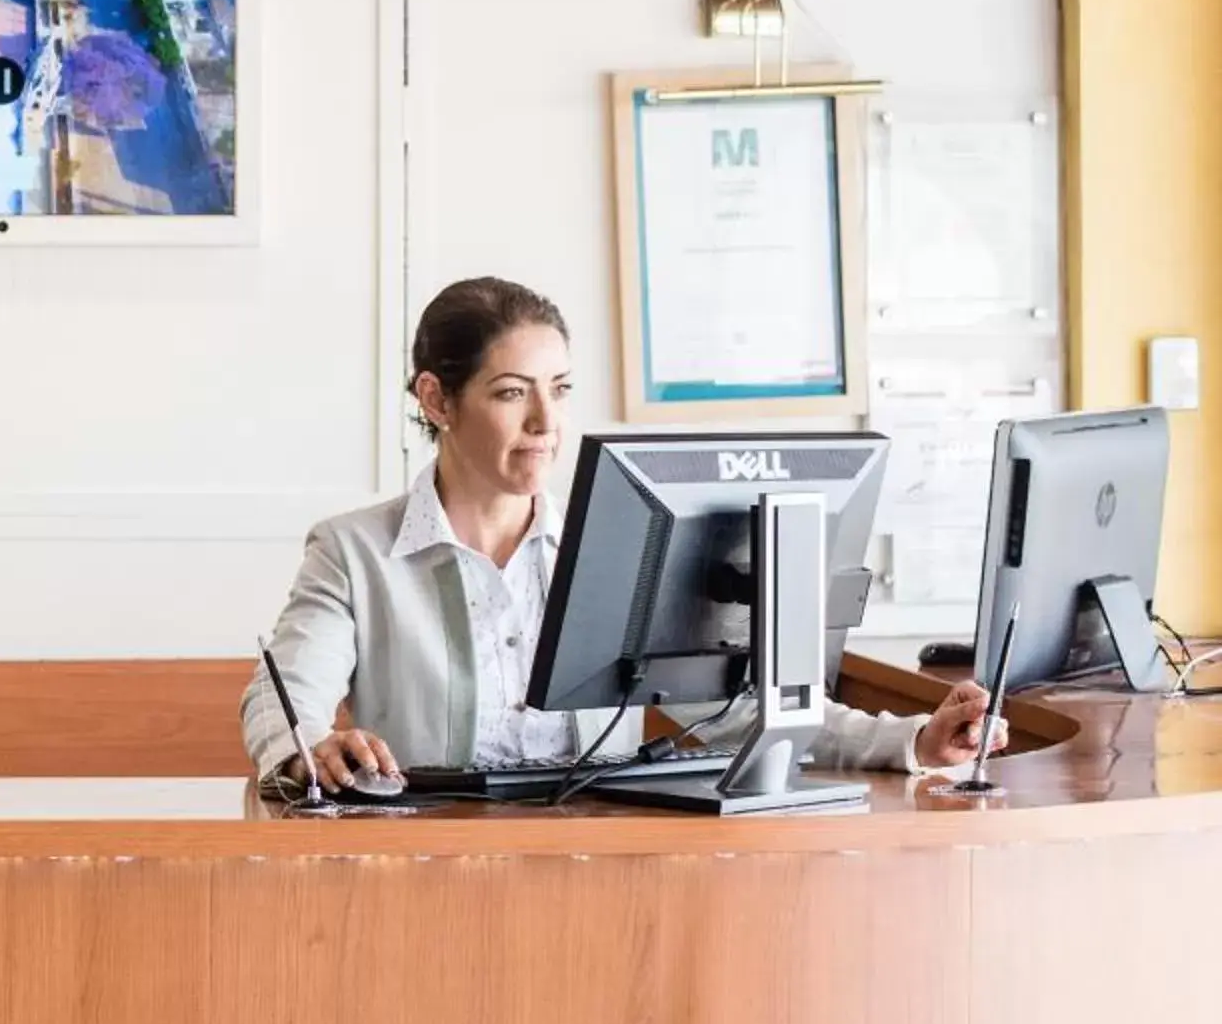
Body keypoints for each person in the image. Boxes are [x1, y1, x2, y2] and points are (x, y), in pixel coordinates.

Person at [241, 276, 997, 793]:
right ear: (437, 398)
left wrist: (913, 741)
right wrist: (313, 749)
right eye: (511, 393)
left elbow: (735, 710)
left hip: (601, 865)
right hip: (431, 869)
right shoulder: (352, 553)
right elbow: (280, 705)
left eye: (559, 389)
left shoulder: (621, 552)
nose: (547, 422)